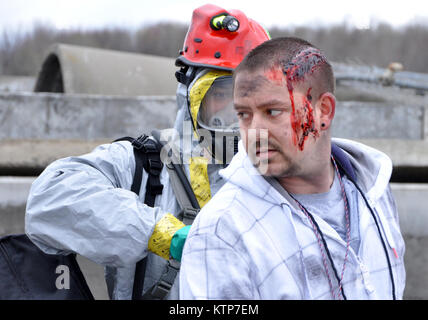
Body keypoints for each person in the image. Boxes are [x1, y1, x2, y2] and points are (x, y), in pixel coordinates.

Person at [25, 4, 270, 300]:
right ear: (190, 95)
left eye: (248, 95)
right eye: (220, 94)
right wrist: (161, 233)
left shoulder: (282, 173)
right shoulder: (144, 165)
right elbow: (48, 198)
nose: (235, 111)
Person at [179, 37, 406, 300]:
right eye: (243, 115)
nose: (254, 132)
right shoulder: (223, 229)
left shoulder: (374, 191)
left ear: (324, 111)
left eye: (273, 112)